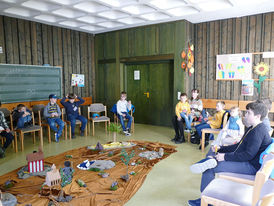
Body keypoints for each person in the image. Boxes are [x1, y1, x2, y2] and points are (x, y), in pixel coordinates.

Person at [188, 101, 272, 206]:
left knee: (209, 167)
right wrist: (221, 149)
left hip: (251, 166)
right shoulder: (252, 127)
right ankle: (210, 162)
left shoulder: (258, 131)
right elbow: (238, 146)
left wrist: (225, 157)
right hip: (247, 162)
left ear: (257, 116)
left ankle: (205, 201)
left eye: (248, 113)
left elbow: (247, 155)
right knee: (212, 159)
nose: (245, 115)